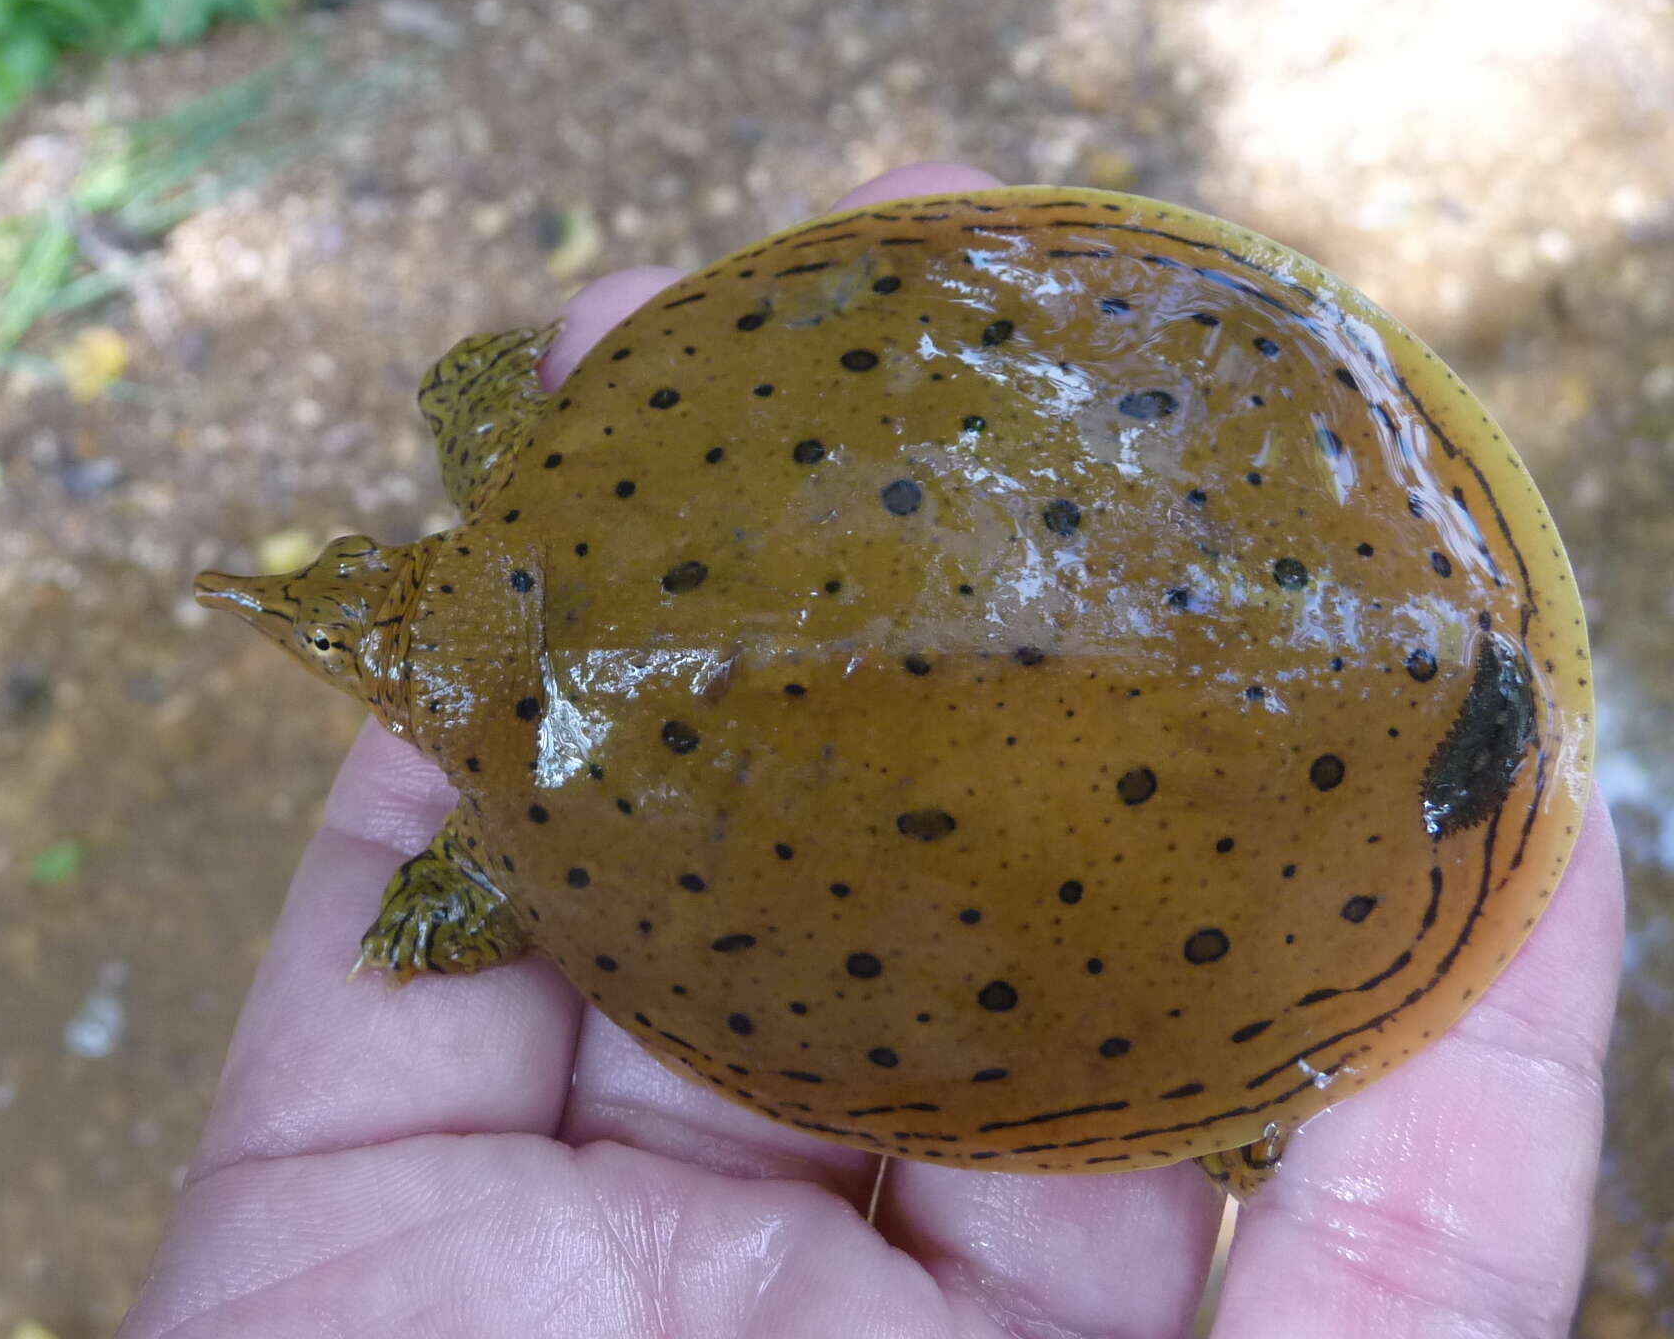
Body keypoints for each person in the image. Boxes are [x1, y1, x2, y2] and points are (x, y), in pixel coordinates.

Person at [118, 163, 1624, 1339]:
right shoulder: (537, 492)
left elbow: (466, 918)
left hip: (1340, 663)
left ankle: (1238, 1092)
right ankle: (1242, 1077)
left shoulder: (521, 873)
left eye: (353, 628)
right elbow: (481, 370)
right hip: (1351, 576)